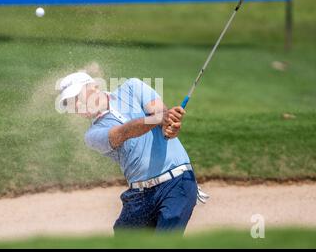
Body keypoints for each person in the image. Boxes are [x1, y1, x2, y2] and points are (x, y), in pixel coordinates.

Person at [57, 72, 207, 233]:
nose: (76, 106)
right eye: (70, 104)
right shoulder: (92, 135)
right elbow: (123, 132)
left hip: (177, 182)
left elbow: (160, 113)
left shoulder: (132, 87)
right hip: (140, 195)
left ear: (94, 86)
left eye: (77, 98)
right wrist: (159, 119)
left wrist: (169, 126)